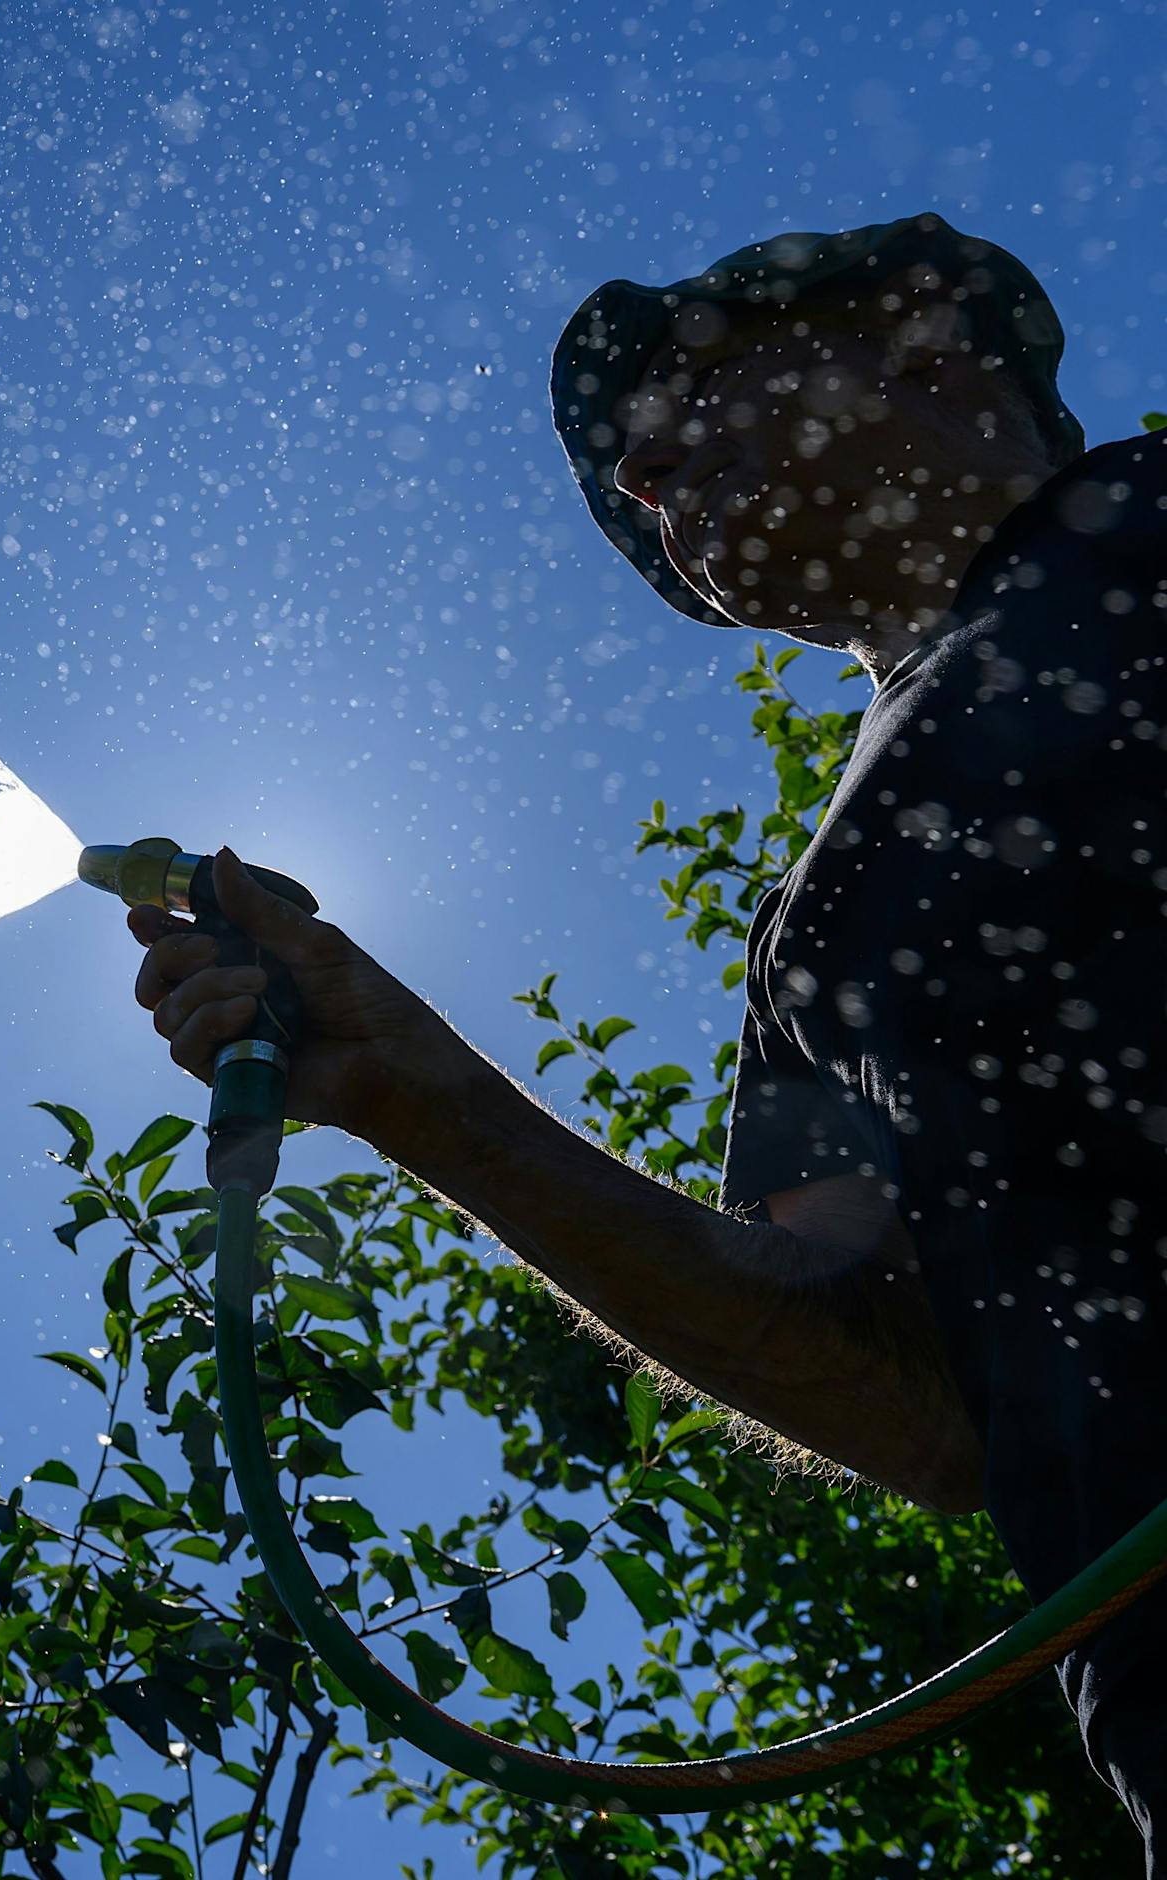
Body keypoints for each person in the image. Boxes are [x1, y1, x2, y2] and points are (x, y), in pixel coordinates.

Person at [117, 211, 1167, 1862]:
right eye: (631, 471)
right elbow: (921, 1408)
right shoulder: (810, 929)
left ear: (916, 322)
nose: (646, 474)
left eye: (690, 383)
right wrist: (417, 1094)